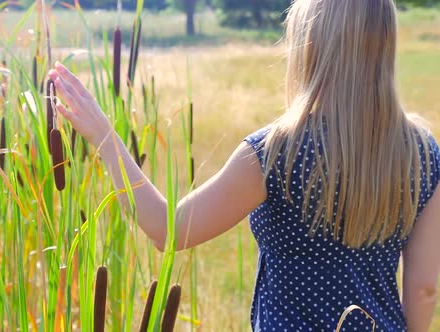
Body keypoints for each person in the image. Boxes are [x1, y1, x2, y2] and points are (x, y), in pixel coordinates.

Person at [48, 0, 440, 330]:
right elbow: (424, 287)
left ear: (310, 47)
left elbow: (169, 230)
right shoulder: (423, 153)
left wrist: (104, 136)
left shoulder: (275, 153)